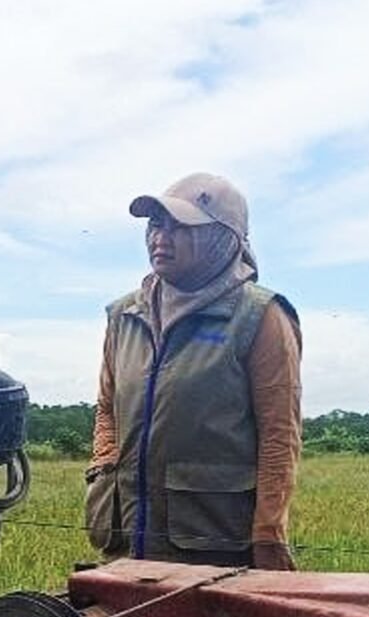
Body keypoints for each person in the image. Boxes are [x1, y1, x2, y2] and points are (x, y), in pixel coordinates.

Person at [85, 173, 302, 571]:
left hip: (213, 546)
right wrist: (105, 468)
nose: (160, 238)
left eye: (180, 227)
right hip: (126, 538)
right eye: (155, 225)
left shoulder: (260, 317)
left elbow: (279, 435)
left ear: (224, 238)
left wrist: (269, 532)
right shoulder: (124, 316)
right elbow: (106, 408)